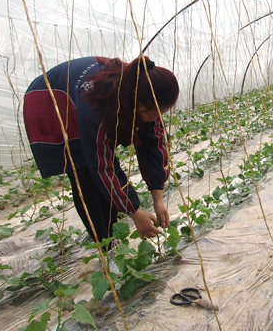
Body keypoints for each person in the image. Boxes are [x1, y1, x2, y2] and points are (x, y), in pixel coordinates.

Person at [23, 55, 179, 248]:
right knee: (83, 173)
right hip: (50, 100)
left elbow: (153, 145)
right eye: (151, 113)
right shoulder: (97, 106)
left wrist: (158, 198)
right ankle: (105, 244)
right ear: (135, 102)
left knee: (105, 174)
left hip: (82, 97)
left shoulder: (142, 93)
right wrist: (134, 213)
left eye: (159, 115)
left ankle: (109, 233)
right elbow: (101, 164)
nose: (153, 119)